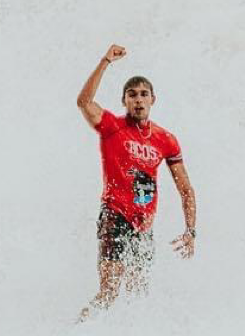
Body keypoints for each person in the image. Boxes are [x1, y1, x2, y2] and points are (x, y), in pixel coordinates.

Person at [76, 44, 196, 316]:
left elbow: (185, 188)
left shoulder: (166, 139)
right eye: (132, 95)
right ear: (124, 101)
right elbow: (84, 102)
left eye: (144, 95)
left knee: (138, 296)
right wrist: (105, 61)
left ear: (154, 99)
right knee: (109, 292)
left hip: (144, 224)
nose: (138, 100)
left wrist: (191, 230)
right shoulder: (112, 127)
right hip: (114, 215)